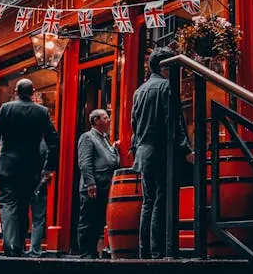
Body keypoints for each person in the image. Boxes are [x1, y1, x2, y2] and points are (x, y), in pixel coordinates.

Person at [0, 78, 59, 257]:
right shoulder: (41, 112)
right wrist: (49, 167)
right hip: (30, 169)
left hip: (7, 166)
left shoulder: (6, 109)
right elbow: (54, 141)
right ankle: (17, 246)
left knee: (8, 205)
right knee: (23, 206)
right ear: (33, 92)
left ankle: (11, 245)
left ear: (16, 92)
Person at [130, 47, 192, 259]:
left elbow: (134, 125)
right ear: (164, 66)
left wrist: (135, 148)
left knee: (148, 202)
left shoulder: (140, 90)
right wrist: (186, 149)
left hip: (144, 153)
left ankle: (144, 251)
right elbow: (173, 122)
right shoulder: (166, 87)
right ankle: (159, 252)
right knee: (161, 201)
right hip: (162, 153)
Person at [77, 109, 121, 258]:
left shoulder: (104, 138)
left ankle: (93, 251)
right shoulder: (87, 137)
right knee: (88, 221)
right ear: (96, 121)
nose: (108, 120)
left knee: (97, 221)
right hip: (93, 187)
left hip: (104, 187)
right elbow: (85, 162)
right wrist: (90, 184)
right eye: (105, 118)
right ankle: (86, 253)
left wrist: (114, 150)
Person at [27, 138, 50, 257]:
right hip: (39, 184)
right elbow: (48, 165)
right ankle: (35, 249)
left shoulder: (24, 141)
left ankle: (16, 247)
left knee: (19, 216)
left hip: (23, 183)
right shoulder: (45, 144)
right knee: (38, 219)